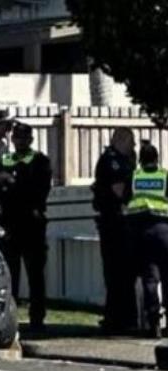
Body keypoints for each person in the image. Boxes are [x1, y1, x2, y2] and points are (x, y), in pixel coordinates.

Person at [0, 123, 52, 331]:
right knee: (11, 274)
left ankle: (37, 317)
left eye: (24, 138)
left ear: (31, 140)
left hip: (32, 223)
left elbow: (39, 189)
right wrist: (11, 182)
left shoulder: (39, 160)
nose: (20, 142)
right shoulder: (6, 159)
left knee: (35, 274)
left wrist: (12, 182)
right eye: (17, 138)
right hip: (10, 223)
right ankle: (10, 316)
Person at [91, 127, 138, 334]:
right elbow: (119, 191)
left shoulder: (124, 159)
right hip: (113, 223)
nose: (133, 147)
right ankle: (118, 318)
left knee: (124, 273)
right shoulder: (113, 160)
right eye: (131, 142)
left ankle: (123, 317)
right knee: (117, 272)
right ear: (120, 140)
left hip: (120, 223)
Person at [126, 141, 168, 338]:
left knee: (150, 278)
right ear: (157, 159)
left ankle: (154, 323)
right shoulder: (165, 176)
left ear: (141, 160)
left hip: (141, 232)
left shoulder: (134, 177)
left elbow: (124, 198)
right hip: (164, 230)